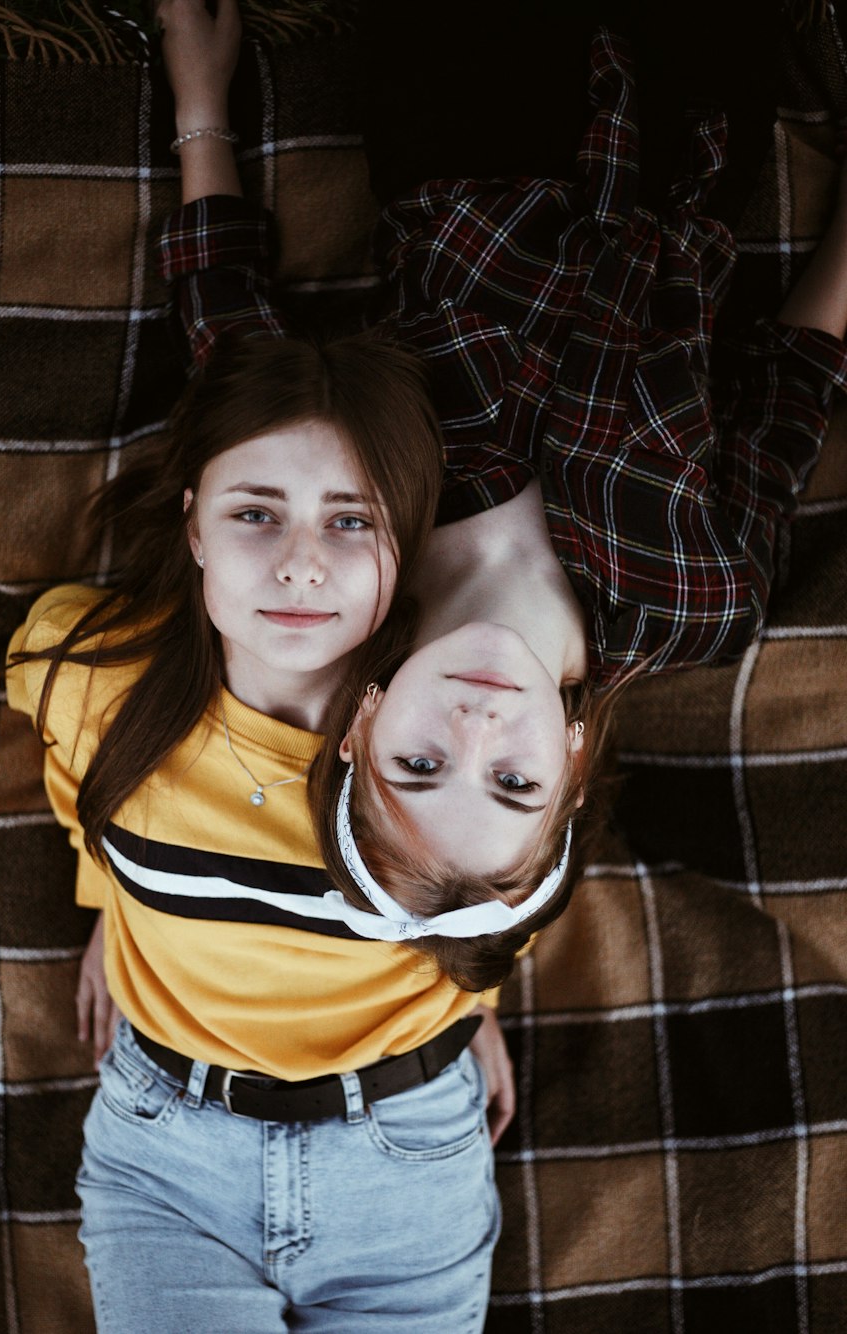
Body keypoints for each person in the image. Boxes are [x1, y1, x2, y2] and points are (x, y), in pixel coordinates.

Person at [156, 0, 847, 992]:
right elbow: (790, 383)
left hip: (468, 122)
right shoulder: (697, 609)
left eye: (419, 766)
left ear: (362, 725)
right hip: (692, 148)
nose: (474, 732)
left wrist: (200, 107)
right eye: (512, 783)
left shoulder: (361, 540)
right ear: (569, 770)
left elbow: (235, 349)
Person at [5, 7, 519, 1324]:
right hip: (168, 1152)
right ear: (190, 524)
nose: (301, 562)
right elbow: (79, 784)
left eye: (353, 523)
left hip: (408, 1151)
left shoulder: (447, 711)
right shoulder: (83, 666)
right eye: (256, 516)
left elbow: (494, 857)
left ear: (405, 555)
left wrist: (478, 994)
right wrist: (114, 903)